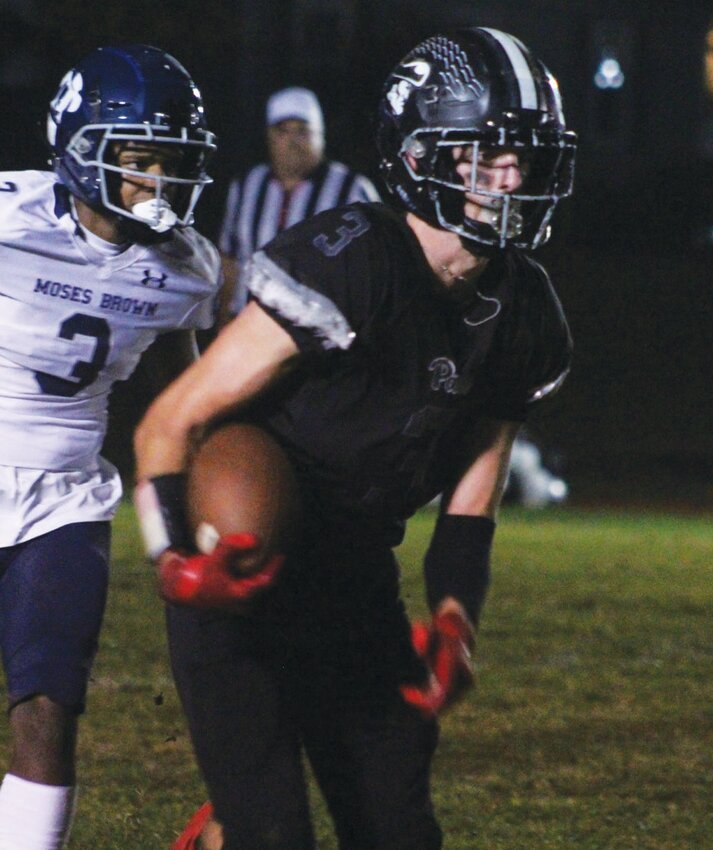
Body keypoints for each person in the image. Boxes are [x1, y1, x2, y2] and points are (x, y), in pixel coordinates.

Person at [133, 26, 577, 850]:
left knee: (399, 832)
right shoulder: (353, 260)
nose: (514, 176)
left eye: (525, 155)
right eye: (487, 154)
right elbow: (173, 420)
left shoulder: (527, 315)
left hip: (354, 585)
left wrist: (454, 619)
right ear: (421, 156)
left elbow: (472, 504)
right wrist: (176, 564)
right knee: (275, 834)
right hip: (243, 575)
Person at [0, 45, 220, 850]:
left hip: (63, 500)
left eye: (174, 161)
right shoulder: (7, 218)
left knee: (49, 707)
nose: (158, 180)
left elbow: (186, 397)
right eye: (139, 159)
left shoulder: (184, 269)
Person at [216, 86, 380, 324]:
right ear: (269, 136)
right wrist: (223, 320)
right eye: (282, 131)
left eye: (302, 131)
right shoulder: (247, 184)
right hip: (248, 325)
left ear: (320, 134)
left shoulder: (352, 188)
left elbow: (373, 267)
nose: (292, 141)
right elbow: (230, 260)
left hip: (321, 332)